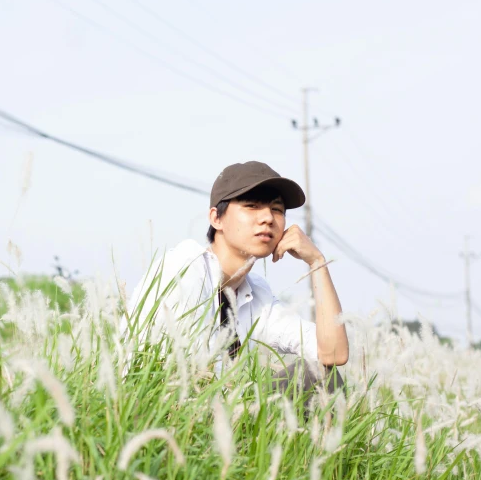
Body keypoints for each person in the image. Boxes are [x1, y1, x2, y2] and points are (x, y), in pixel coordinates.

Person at [125, 161, 349, 400]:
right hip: (164, 413)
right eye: (251, 206)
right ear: (216, 218)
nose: (267, 218)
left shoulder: (255, 293)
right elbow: (186, 381)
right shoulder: (184, 269)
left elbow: (333, 354)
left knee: (321, 376)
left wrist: (317, 263)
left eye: (276, 209)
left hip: (223, 414)